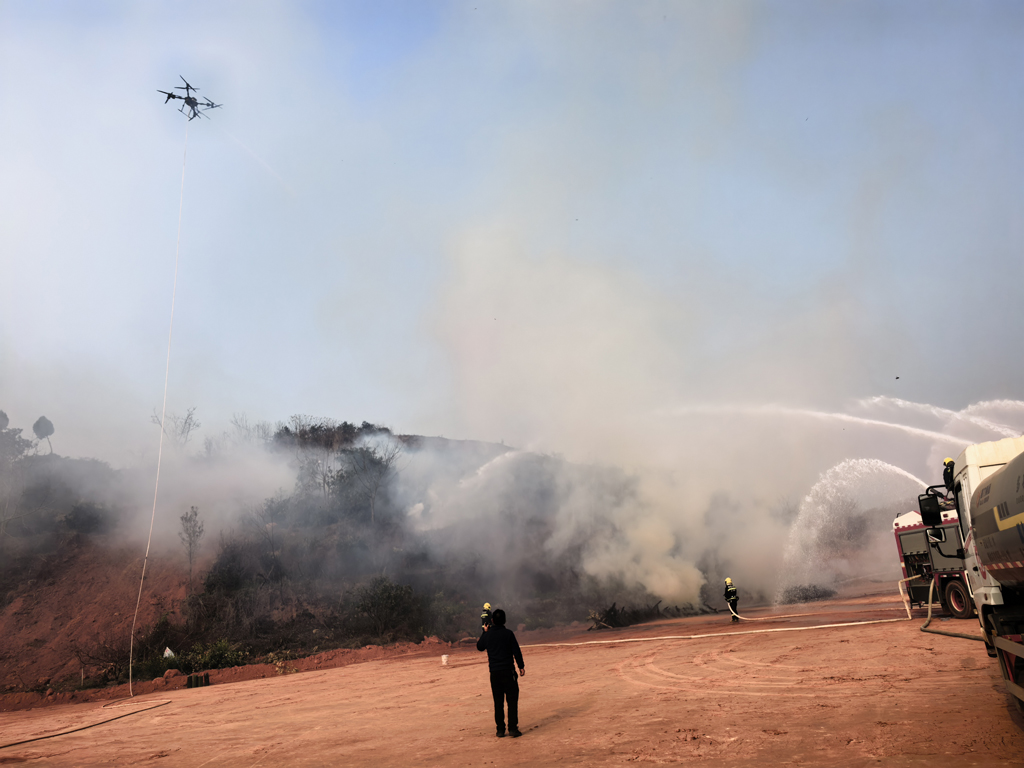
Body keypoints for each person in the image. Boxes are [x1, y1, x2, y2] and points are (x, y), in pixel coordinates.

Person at [476, 608, 525, 738]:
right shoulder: (508, 634)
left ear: (492, 620)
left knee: (498, 702)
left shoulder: (488, 635)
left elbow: (480, 647)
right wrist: (521, 666)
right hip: (508, 672)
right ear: (504, 620)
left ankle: (500, 730)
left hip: (494, 674)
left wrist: (484, 632)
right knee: (512, 701)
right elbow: (516, 651)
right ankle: (513, 729)